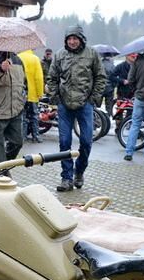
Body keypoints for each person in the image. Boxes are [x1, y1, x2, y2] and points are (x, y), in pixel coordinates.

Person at [45, 25, 105, 191]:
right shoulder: (59, 55)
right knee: (64, 142)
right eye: (69, 39)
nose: (72, 41)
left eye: (75, 38)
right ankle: (66, 178)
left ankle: (79, 171)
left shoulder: (92, 54)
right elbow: (52, 78)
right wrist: (55, 97)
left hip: (85, 104)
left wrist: (93, 98)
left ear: (81, 39)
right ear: (66, 40)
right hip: (64, 105)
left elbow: (100, 77)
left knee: (86, 141)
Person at [17, 49, 44, 142]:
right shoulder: (35, 59)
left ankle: (23, 136)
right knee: (34, 115)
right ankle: (36, 136)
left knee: (22, 116)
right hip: (32, 94)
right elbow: (39, 78)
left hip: (20, 92)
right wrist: (40, 93)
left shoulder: (18, 58)